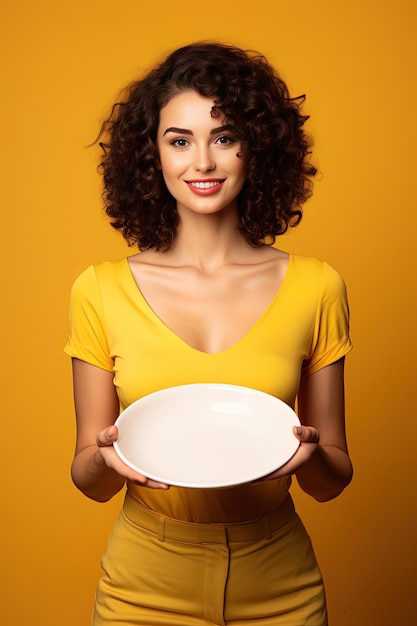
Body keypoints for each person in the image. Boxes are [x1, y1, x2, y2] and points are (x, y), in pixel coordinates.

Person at [65, 41, 353, 626]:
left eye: (223, 137)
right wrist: (104, 456)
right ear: (152, 157)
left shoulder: (317, 287)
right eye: (179, 140)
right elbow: (88, 480)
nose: (202, 162)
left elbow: (333, 479)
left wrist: (309, 452)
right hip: (143, 583)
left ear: (257, 148)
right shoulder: (99, 290)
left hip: (280, 582)